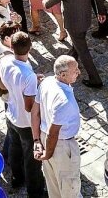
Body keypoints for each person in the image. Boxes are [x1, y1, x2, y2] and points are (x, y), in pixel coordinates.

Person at [43, 0, 108, 88]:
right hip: (85, 17)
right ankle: (73, 56)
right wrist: (101, 12)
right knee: (78, 42)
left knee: (83, 49)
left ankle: (95, 78)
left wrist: (45, 3)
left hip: (73, 21)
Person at [0, 31, 46, 197]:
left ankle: (17, 178)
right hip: (25, 122)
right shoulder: (28, 76)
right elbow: (29, 106)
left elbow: (4, 84)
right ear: (30, 48)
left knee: (14, 148)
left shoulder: (5, 61)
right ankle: (35, 192)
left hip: (11, 113)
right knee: (32, 160)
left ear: (11, 46)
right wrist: (38, 87)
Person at [32, 55, 83, 198]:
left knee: (53, 186)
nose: (78, 72)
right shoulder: (64, 100)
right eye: (75, 70)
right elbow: (53, 133)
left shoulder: (46, 82)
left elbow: (35, 113)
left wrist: (36, 140)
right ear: (63, 75)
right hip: (59, 145)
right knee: (69, 189)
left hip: (45, 138)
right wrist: (47, 153)